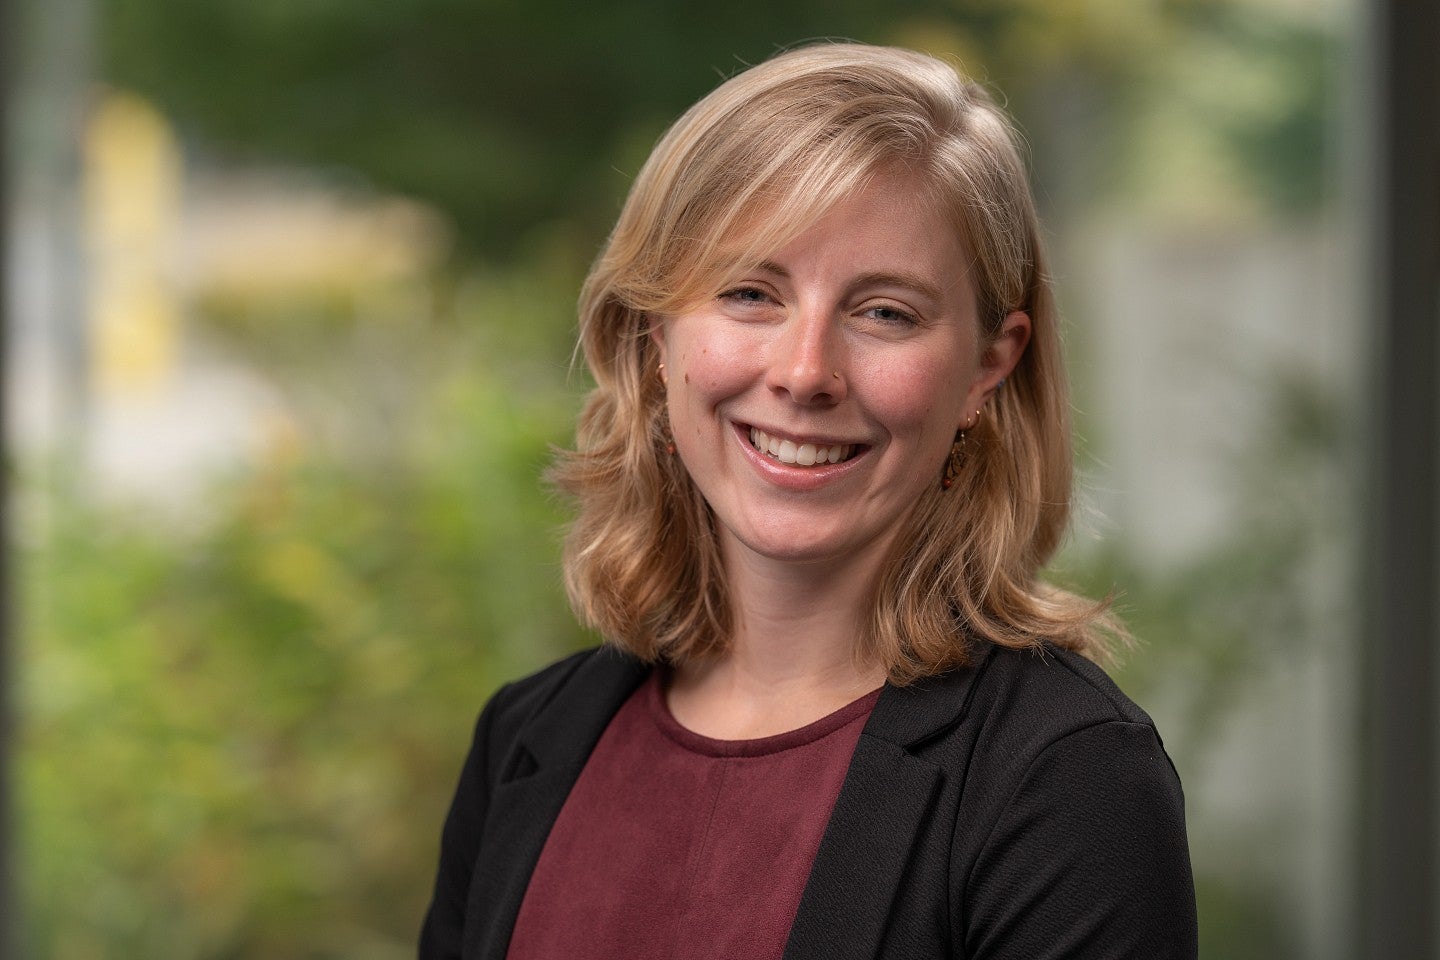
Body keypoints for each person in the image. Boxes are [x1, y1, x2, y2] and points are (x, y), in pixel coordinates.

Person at [419, 42, 1197, 960]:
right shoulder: (528, 740)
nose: (804, 372)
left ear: (990, 365)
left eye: (885, 312)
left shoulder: (1068, 779)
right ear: (653, 334)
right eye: (750, 293)